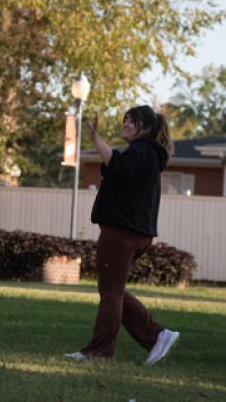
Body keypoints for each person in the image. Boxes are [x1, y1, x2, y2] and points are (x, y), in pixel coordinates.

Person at [63, 105, 179, 365]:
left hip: (121, 233)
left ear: (146, 128)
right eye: (124, 120)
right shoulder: (147, 154)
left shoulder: (142, 151)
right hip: (134, 233)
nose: (124, 124)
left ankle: (101, 351)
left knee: (111, 292)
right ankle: (157, 336)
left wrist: (96, 140)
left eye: (131, 121)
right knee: (112, 289)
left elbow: (117, 163)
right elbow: (117, 167)